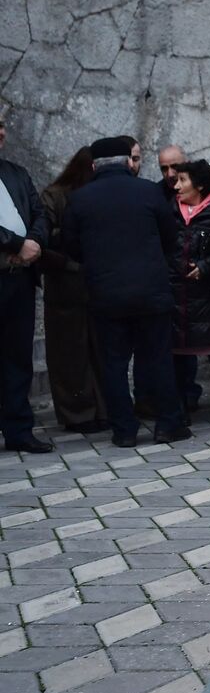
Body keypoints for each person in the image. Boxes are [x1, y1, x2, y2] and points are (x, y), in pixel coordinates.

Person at [63, 137, 188, 447]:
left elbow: (70, 247)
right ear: (126, 163)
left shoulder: (79, 199)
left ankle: (124, 430)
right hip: (151, 292)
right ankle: (168, 424)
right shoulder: (149, 191)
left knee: (114, 365)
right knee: (159, 358)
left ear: (95, 166)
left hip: (106, 296)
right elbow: (171, 238)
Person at [37, 147, 106, 433]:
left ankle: (102, 409)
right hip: (65, 284)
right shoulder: (54, 196)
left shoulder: (97, 194)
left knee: (99, 352)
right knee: (69, 354)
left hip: (93, 283)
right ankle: (77, 413)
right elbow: (42, 239)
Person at [0, 113, 54, 453]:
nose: (2, 132)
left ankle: (19, 430)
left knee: (17, 357)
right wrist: (15, 244)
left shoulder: (16, 173)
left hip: (17, 281)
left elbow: (40, 213)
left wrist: (33, 242)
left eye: (1, 126)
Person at [170, 160, 210, 422]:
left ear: (198, 185)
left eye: (182, 181)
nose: (176, 186)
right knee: (178, 350)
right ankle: (182, 406)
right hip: (178, 290)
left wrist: (207, 267)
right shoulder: (171, 209)